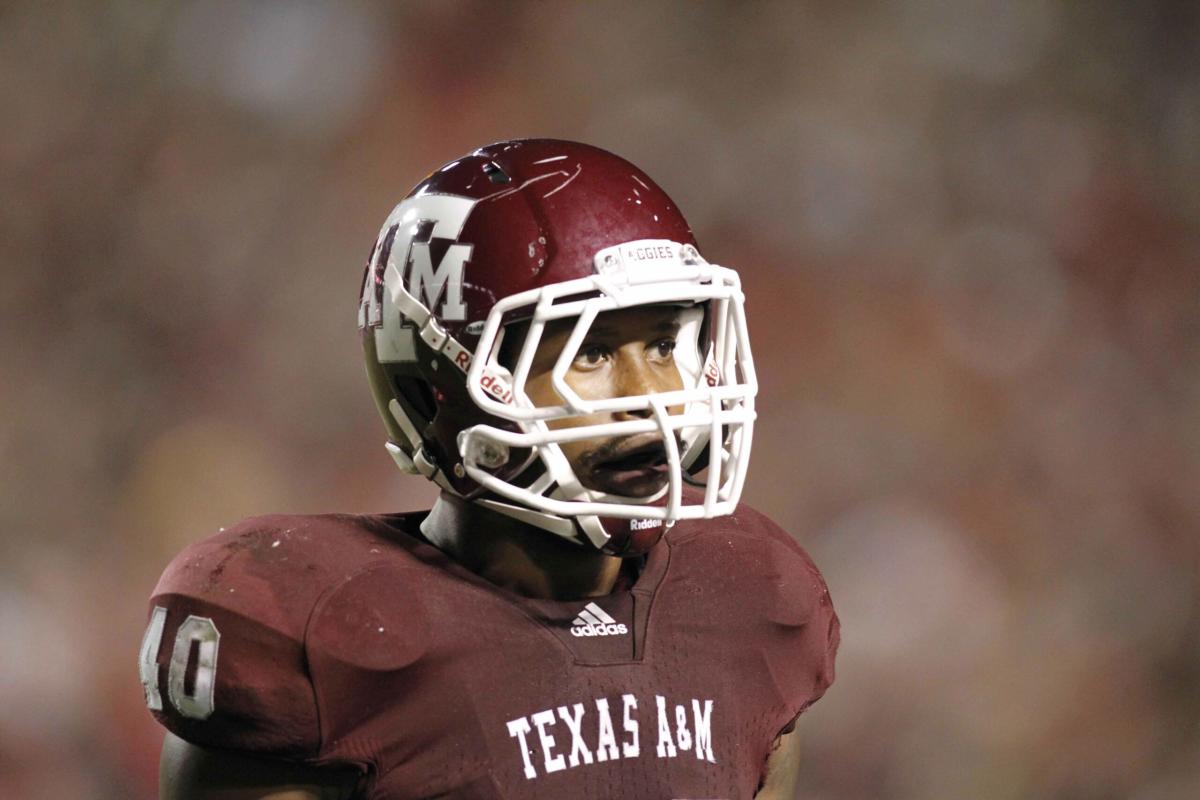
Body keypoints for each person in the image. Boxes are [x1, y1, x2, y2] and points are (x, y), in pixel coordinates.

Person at [138, 139, 840, 800]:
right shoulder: (332, 644)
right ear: (438, 380)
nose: (650, 393)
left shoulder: (747, 603)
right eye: (589, 355)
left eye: (663, 342)